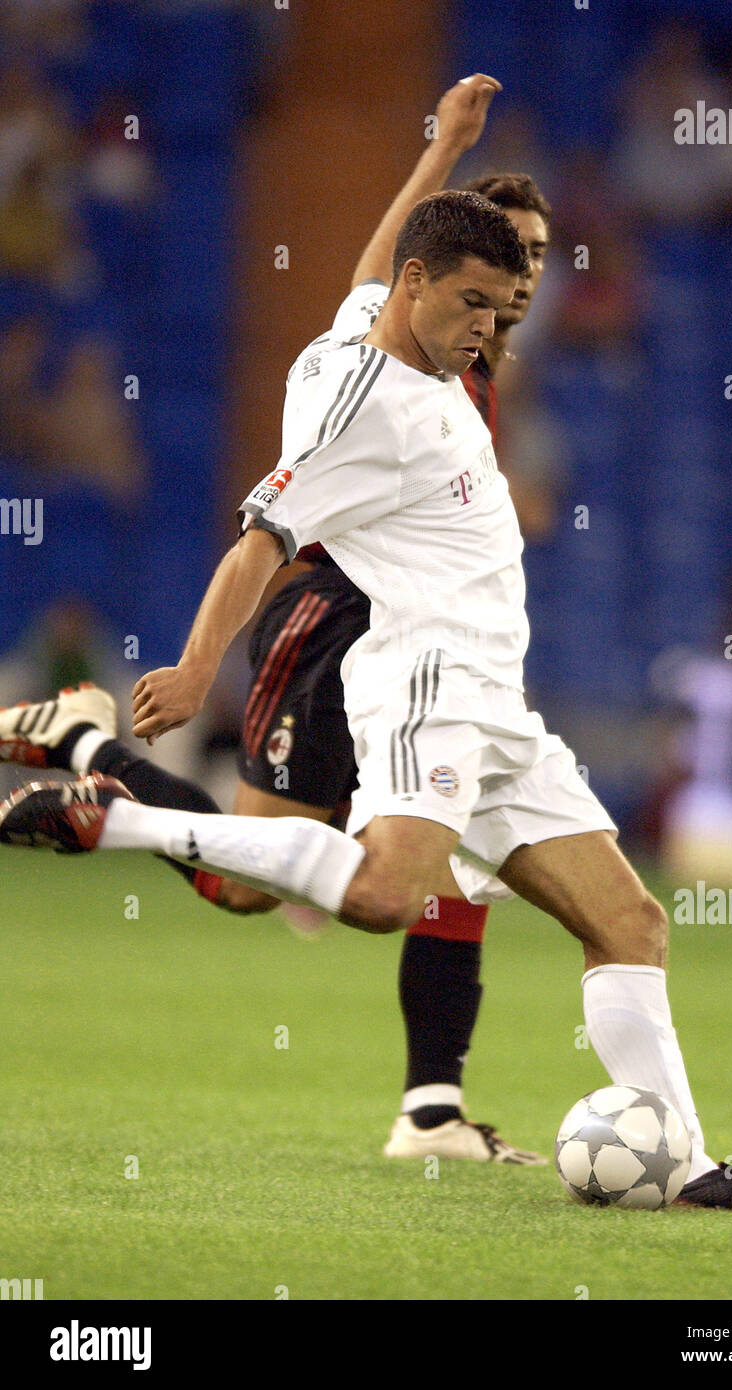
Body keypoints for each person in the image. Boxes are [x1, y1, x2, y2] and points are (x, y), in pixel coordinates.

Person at [1, 172, 732, 1215]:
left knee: (630, 921)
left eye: (500, 308)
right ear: (416, 283)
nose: (487, 328)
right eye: (472, 302)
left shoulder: (369, 327)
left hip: (495, 705)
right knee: (386, 894)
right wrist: (199, 667)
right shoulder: (355, 409)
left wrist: (445, 154)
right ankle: (115, 819)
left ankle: (688, 1162)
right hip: (424, 678)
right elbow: (260, 544)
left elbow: (367, 263)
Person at [0, 77, 555, 1165]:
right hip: (332, 624)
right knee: (251, 885)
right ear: (439, 276)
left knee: (454, 864)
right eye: (511, 262)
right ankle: (86, 747)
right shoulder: (387, 360)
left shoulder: (474, 362)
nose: (527, 285)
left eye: (538, 261)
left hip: (430, 650)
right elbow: (363, 288)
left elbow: (372, 283)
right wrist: (434, 156)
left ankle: (430, 1109)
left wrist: (441, 144)